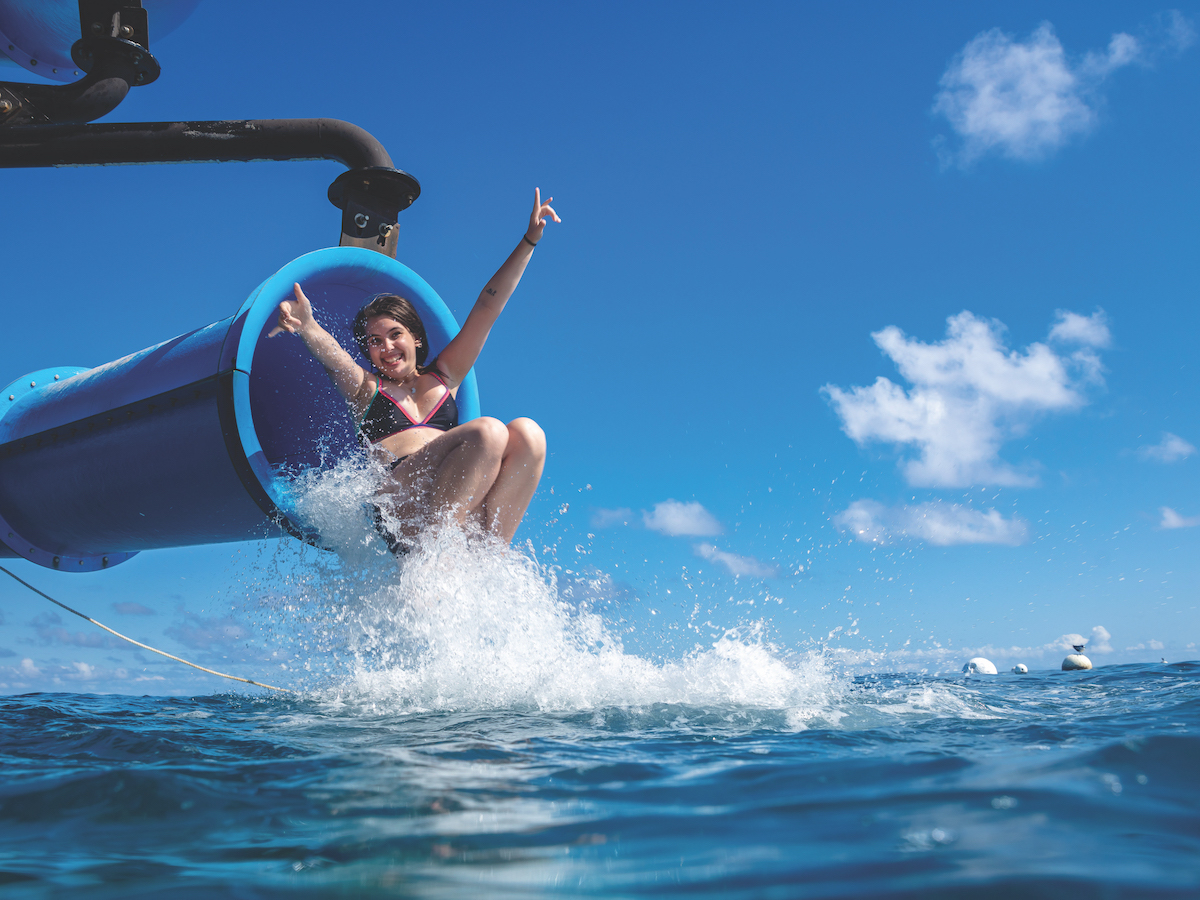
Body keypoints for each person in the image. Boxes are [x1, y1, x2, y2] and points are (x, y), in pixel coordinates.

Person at [269, 188, 560, 549]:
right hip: (400, 508)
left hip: (453, 501)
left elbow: (488, 308)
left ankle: (490, 556)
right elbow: (332, 355)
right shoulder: (366, 390)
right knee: (488, 432)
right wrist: (308, 326)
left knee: (529, 434)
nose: (387, 348)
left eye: (395, 335)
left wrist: (529, 241)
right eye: (374, 342)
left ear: (417, 338)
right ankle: (433, 561)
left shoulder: (445, 375)